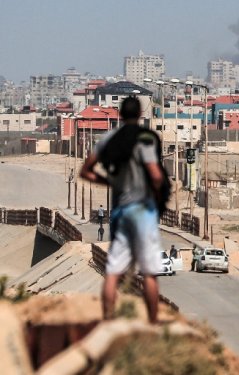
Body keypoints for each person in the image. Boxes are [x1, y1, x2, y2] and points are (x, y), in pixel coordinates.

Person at [80, 96, 164, 324]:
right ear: (140, 115)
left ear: (119, 114)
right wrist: (156, 194)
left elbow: (86, 170)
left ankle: (107, 320)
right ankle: (153, 323)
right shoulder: (144, 139)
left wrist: (110, 183)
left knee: (113, 271)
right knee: (148, 272)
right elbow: (155, 174)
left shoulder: (109, 138)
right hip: (142, 209)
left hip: (120, 210)